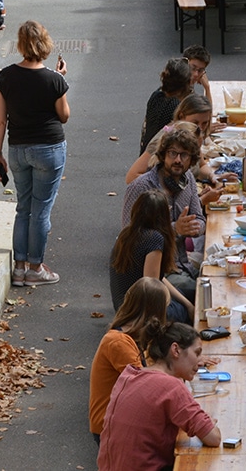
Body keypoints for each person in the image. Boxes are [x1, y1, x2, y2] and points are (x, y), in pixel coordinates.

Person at [0, 21, 70, 286]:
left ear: (21, 45)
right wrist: (61, 78)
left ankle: (19, 268)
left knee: (23, 208)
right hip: (48, 148)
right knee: (41, 211)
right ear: (44, 44)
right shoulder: (53, 79)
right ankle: (36, 268)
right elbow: (64, 116)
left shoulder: (5, 76)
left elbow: (0, 120)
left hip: (17, 149)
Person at [97, 321, 221, 470]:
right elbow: (214, 438)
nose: (200, 362)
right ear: (175, 350)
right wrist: (207, 423)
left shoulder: (129, 375)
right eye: (197, 353)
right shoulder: (171, 386)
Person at [122, 128, 205, 300]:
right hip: (158, 273)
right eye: (172, 153)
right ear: (163, 155)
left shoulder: (188, 178)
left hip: (183, 263)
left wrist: (194, 227)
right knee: (204, 292)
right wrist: (175, 229)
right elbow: (130, 237)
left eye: (184, 155)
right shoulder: (141, 187)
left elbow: (199, 218)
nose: (177, 160)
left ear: (192, 160)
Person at [89, 278, 171, 443]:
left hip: (124, 419)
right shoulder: (118, 342)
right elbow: (143, 383)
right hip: (111, 425)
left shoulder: (136, 337)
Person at [110, 190, 193, 323]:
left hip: (124, 307)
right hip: (141, 314)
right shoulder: (154, 239)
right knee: (187, 305)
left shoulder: (126, 234)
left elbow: (158, 277)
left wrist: (187, 303)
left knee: (188, 296)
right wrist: (186, 307)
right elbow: (152, 287)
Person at [139, 58, 193, 154]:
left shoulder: (157, 95)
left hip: (146, 152)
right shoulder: (176, 106)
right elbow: (172, 130)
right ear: (188, 83)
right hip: (159, 156)